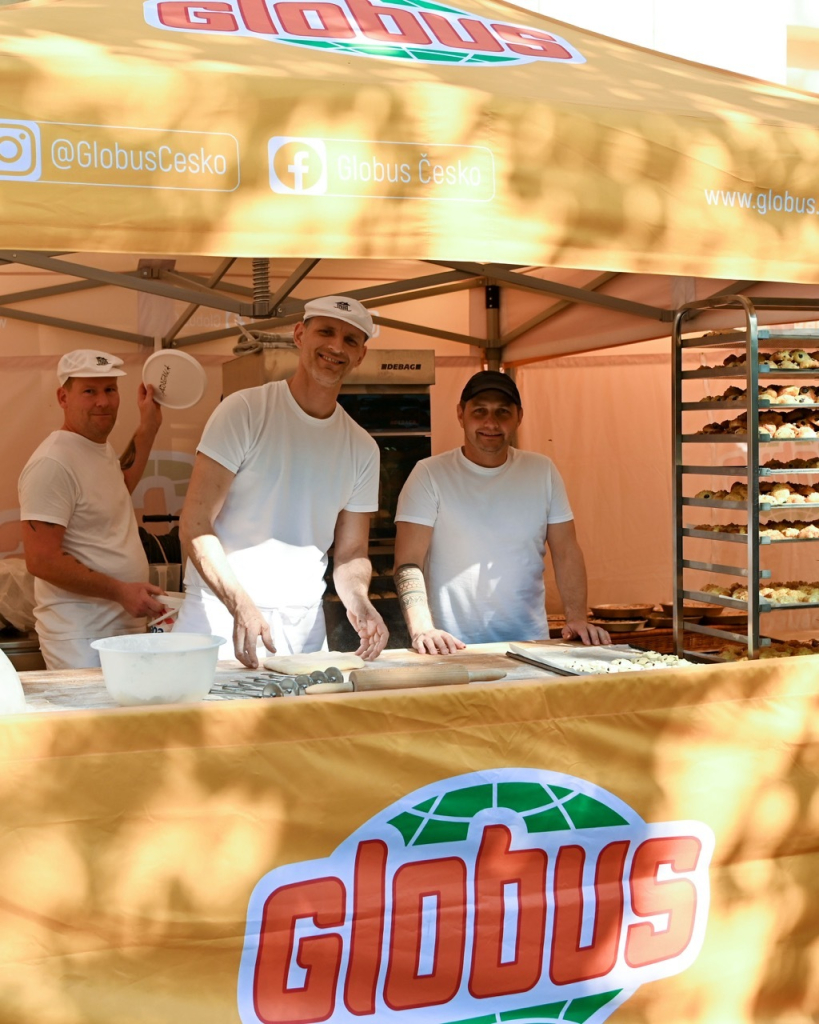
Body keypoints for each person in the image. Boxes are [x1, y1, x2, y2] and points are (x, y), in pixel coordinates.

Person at [176, 295, 389, 668]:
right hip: (219, 618)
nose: (336, 347)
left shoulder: (362, 447)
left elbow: (352, 552)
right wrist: (240, 604)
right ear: (299, 335)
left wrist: (359, 601)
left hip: (303, 627)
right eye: (326, 332)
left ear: (360, 355)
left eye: (350, 340)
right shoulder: (244, 411)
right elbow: (195, 523)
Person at [393, 369, 610, 654]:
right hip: (451, 647)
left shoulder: (542, 471)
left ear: (519, 417)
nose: (491, 423)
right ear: (460, 414)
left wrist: (577, 618)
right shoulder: (429, 474)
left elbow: (566, 551)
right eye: (479, 411)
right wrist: (422, 628)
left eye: (502, 412)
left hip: (530, 646)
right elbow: (408, 563)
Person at [18, 349, 166, 670]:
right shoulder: (52, 463)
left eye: (110, 389)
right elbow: (41, 560)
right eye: (89, 391)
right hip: (82, 637)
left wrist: (148, 427)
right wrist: (121, 591)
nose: (103, 402)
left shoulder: (97, 448)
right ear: (63, 397)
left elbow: (119, 487)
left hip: (117, 628)